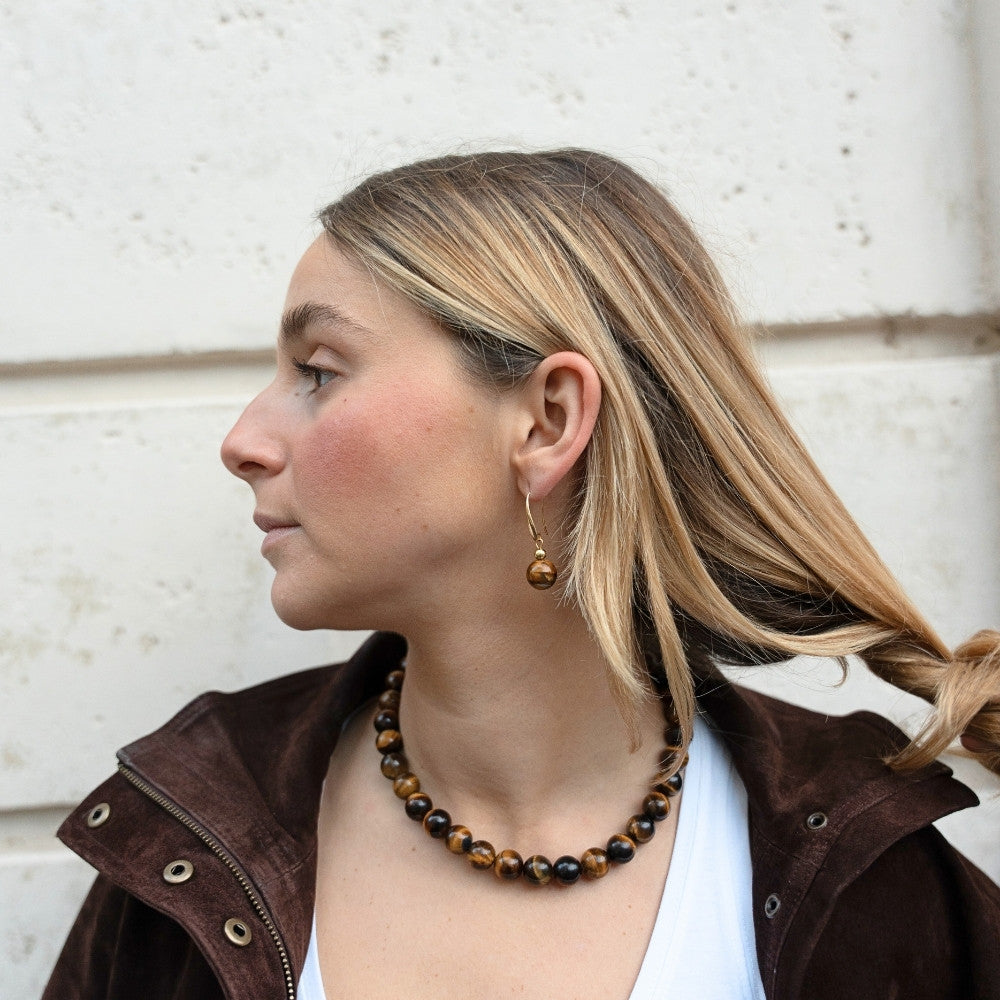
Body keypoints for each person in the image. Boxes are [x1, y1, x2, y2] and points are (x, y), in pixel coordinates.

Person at [45, 150, 1000, 1000]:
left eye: (320, 371)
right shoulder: (188, 835)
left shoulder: (863, 876)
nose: (243, 441)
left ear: (547, 421)